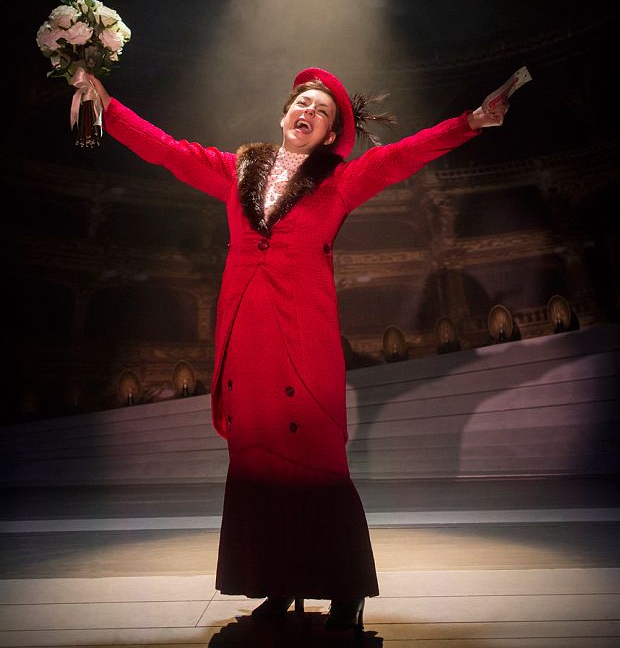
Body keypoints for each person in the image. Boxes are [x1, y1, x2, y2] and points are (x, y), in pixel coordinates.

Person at [88, 66, 507, 635]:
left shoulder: (339, 182)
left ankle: (347, 588)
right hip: (247, 335)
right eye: (302, 103)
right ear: (285, 114)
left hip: (303, 338)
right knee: (256, 460)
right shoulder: (238, 170)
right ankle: (278, 583)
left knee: (317, 462)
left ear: (331, 133)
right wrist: (108, 107)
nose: (307, 112)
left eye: (323, 111)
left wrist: (470, 123)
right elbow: (166, 151)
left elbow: (402, 156)